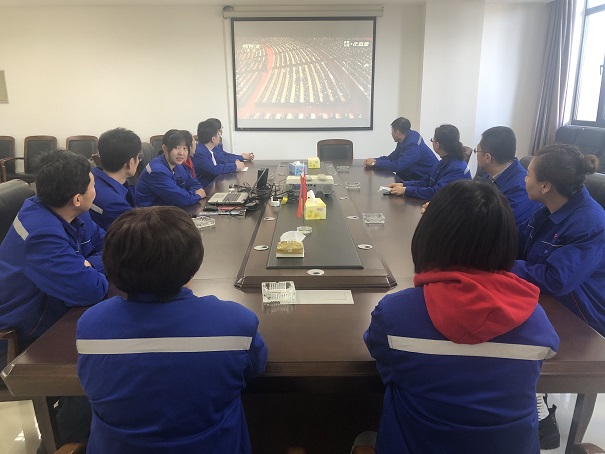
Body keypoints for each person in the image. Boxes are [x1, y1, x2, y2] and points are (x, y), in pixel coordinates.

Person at [364, 179, 559, 453]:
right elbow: (546, 354)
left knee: (364, 428)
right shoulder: (534, 318)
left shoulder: (394, 314)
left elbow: (381, 358)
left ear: (428, 236)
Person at [77, 206, 268, 453]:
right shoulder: (236, 323)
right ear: (194, 264)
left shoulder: (91, 325)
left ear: (111, 266)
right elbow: (255, 367)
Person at [512, 144, 605, 450]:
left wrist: (505, 265)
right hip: (547, 299)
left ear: (546, 186)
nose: (524, 179)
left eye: (528, 174)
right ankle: (531, 401)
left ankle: (539, 413)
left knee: (507, 335)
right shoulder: (546, 210)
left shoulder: (590, 223)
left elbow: (556, 279)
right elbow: (518, 242)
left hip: (582, 315)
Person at [0, 150, 108, 362]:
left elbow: (110, 245)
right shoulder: (41, 234)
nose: (95, 191)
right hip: (22, 335)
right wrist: (88, 267)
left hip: (57, 309)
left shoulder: (71, 211)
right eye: (93, 186)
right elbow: (91, 290)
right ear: (77, 198)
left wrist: (88, 264)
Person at [476, 126, 541, 225]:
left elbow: (503, 226)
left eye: (477, 151)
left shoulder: (522, 188)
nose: (476, 155)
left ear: (488, 157)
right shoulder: (490, 175)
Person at [388, 124, 471, 199]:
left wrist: (406, 190)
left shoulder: (457, 168)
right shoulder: (443, 162)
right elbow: (427, 181)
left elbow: (436, 193)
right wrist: (403, 184)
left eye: (433, 140)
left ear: (438, 144)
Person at [135, 129, 206, 207]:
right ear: (165, 148)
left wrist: (189, 195)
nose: (181, 153)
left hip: (170, 209)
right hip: (152, 213)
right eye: (177, 148)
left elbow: (195, 184)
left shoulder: (178, 165)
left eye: (185, 148)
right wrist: (197, 195)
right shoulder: (157, 171)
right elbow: (181, 200)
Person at [90, 127, 141, 229]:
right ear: (130, 163)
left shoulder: (92, 179)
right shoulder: (115, 204)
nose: (139, 161)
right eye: (139, 157)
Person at [364, 117, 437, 181]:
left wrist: (375, 163)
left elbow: (398, 166)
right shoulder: (405, 139)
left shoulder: (413, 145)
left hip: (424, 180)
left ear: (397, 132)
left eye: (392, 131)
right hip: (411, 177)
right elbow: (392, 158)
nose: (391, 134)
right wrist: (375, 160)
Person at [192, 119, 246, 187]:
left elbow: (221, 161)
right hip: (206, 189)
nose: (220, 136)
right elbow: (213, 170)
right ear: (213, 139)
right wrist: (235, 166)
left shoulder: (208, 149)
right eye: (218, 134)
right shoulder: (199, 153)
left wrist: (235, 163)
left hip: (214, 185)